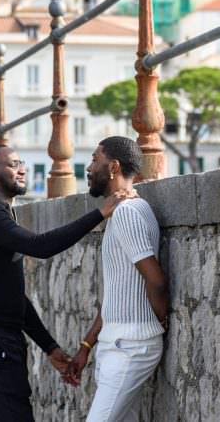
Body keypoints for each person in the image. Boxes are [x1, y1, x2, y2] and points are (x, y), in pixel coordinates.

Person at [0, 142, 133, 422]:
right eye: (14, 164)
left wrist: (50, 348)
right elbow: (40, 246)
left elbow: (12, 297)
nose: (22, 170)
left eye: (21, 164)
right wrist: (100, 213)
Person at [65, 136, 169, 422]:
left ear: (112, 167)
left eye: (95, 159)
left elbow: (156, 281)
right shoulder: (118, 213)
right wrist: (86, 346)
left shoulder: (128, 213)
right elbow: (118, 293)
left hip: (131, 346)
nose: (89, 167)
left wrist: (156, 324)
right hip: (116, 343)